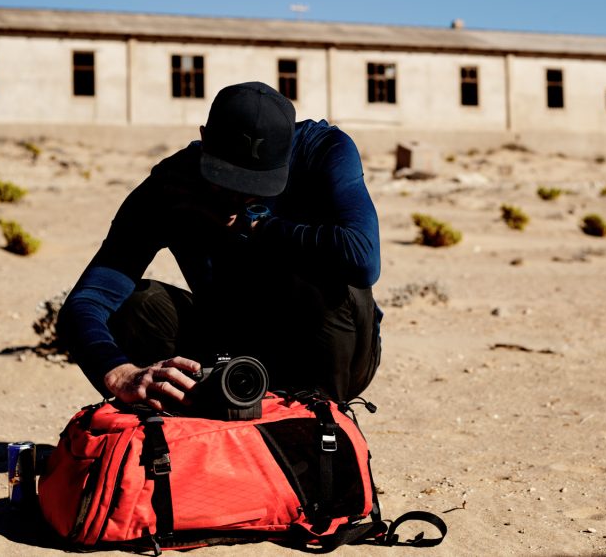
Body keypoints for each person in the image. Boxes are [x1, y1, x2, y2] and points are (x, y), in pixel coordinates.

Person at [57, 81, 382, 410]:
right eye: (224, 179)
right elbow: (87, 301)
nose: (238, 196)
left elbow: (363, 258)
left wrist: (255, 226)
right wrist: (118, 372)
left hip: (331, 350)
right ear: (204, 139)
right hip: (228, 347)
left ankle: (322, 418)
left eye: (257, 185)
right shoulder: (172, 185)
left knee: (328, 271)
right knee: (137, 304)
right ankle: (189, 414)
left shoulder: (323, 150)